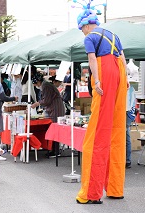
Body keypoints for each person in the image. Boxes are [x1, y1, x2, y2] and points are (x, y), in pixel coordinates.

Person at [74, 4, 128, 204]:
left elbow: (92, 60)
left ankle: (91, 193)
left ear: (86, 25)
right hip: (120, 75)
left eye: (81, 28)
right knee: (117, 130)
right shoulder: (113, 34)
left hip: (105, 73)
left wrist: (96, 81)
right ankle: (115, 188)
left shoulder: (90, 38)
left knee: (98, 132)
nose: (82, 32)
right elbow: (122, 56)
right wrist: (126, 79)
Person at [126, 86, 136, 169]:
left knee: (123, 137)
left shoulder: (128, 88)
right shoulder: (132, 88)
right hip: (130, 114)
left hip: (127, 113)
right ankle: (127, 160)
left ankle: (126, 160)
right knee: (126, 137)